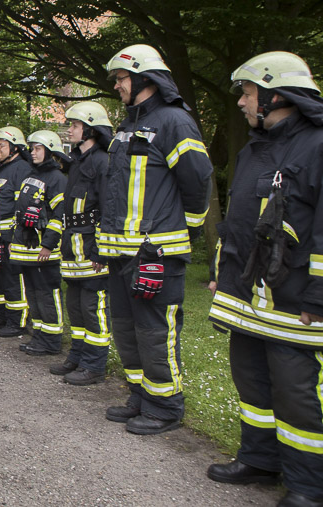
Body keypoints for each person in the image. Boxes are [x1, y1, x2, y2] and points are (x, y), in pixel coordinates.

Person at [206, 52, 323, 507]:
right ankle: (259, 458)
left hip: (294, 298)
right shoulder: (255, 147)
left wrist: (319, 293)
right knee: (251, 380)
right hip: (246, 292)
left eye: (248, 92)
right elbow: (240, 221)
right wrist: (222, 274)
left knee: (296, 391)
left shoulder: (316, 145)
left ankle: (308, 485)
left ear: (277, 94)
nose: (241, 103)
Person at [100, 44, 213, 435]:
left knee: (154, 331)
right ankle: (140, 394)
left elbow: (198, 180)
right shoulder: (127, 126)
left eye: (121, 78)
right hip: (120, 251)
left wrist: (188, 230)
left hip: (156, 252)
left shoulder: (175, 122)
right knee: (126, 329)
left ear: (144, 78)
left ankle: (165, 406)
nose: (117, 85)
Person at [54, 101, 113, 386]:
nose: (70, 130)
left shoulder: (102, 161)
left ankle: (95, 365)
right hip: (72, 245)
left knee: (93, 307)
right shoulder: (78, 162)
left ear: (90, 129)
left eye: (75, 126)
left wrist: (101, 248)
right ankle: (77, 357)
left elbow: (108, 206)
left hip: (91, 246)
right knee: (76, 305)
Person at [11, 130, 68, 356]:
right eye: (32, 148)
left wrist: (49, 244)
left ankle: (52, 340)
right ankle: (39, 336)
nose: (32, 152)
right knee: (33, 293)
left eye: (37, 149)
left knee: (47, 294)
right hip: (27, 248)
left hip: (44, 250)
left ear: (50, 152)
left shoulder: (57, 179)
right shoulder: (31, 176)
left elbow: (59, 214)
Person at [0, 127, 33, 336]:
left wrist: (13, 237)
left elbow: (22, 204)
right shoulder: (1, 169)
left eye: (1, 145)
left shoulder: (21, 169)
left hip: (6, 236)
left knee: (12, 279)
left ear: (15, 148)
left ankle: (16, 320)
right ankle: (2, 314)